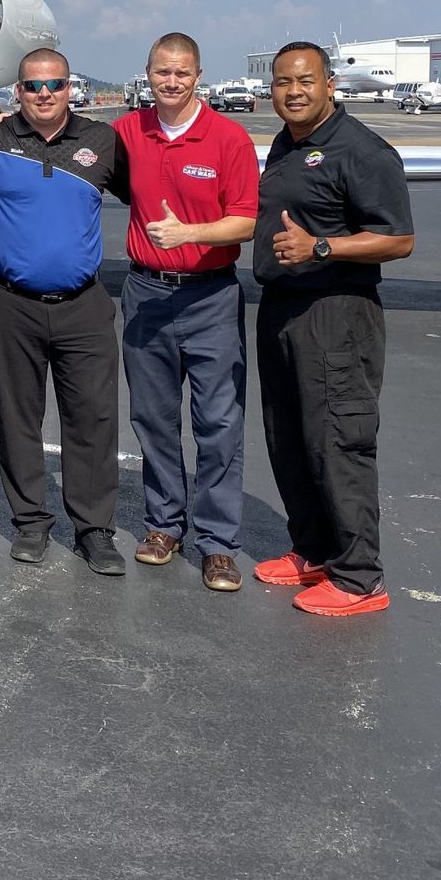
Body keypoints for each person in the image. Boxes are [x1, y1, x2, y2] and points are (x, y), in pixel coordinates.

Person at [252, 42, 414, 616]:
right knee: (289, 436)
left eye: (305, 81)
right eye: (281, 83)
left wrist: (322, 245)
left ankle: (360, 576)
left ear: (329, 86)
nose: (293, 92)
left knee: (338, 441)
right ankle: (316, 550)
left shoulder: (362, 150)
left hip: (336, 311)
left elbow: (398, 239)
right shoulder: (285, 143)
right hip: (282, 307)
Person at [0, 47, 131, 575]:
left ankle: (94, 529)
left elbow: (146, 191)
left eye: (54, 85)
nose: (44, 95)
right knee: (18, 416)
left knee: (94, 418)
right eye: (33, 86)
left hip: (83, 305)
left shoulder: (102, 141)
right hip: (9, 303)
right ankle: (31, 522)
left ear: (70, 88)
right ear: (17, 92)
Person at [112, 33, 259, 592]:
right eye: (160, 73)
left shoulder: (228, 139)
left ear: (197, 75)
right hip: (146, 294)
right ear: (147, 74)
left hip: (210, 297)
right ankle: (163, 525)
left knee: (218, 422)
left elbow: (246, 221)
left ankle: (218, 544)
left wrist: (189, 233)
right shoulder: (129, 132)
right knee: (152, 417)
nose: (170, 82)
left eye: (181, 73)